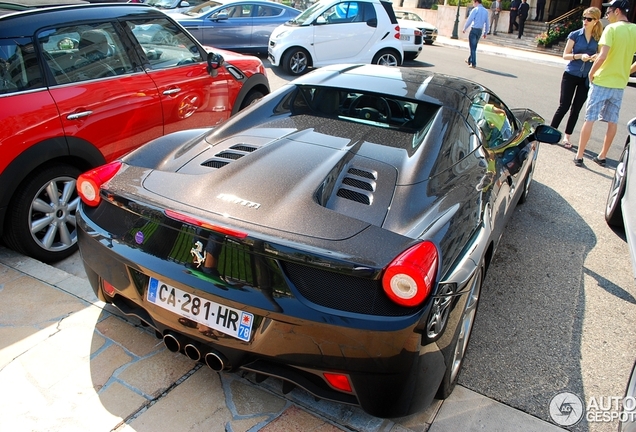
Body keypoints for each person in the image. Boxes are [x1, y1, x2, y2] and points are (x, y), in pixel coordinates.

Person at [574, 0, 636, 167]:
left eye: (608, 12)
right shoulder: (635, 30)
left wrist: (591, 72)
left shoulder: (611, 28)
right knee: (612, 121)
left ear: (617, 11)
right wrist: (626, 71)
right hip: (619, 83)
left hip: (602, 80)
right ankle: (602, 155)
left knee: (590, 118)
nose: (607, 15)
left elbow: (603, 56)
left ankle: (579, 156)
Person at [550, 7, 603, 149]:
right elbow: (565, 55)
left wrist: (595, 57)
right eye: (584, 18)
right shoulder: (575, 35)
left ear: (596, 21)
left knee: (576, 108)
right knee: (564, 106)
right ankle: (551, 130)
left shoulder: (598, 38)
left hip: (586, 78)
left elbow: (600, 54)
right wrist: (579, 56)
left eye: (589, 19)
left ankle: (567, 137)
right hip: (571, 74)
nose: (585, 21)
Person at [463, 0, 489, 68]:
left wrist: (465, 28)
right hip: (479, 31)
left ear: (476, 2)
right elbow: (487, 23)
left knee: (473, 48)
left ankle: (473, 63)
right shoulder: (485, 11)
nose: (473, 4)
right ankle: (470, 60)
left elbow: (469, 20)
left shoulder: (475, 10)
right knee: (474, 46)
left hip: (474, 30)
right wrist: (485, 32)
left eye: (473, 2)